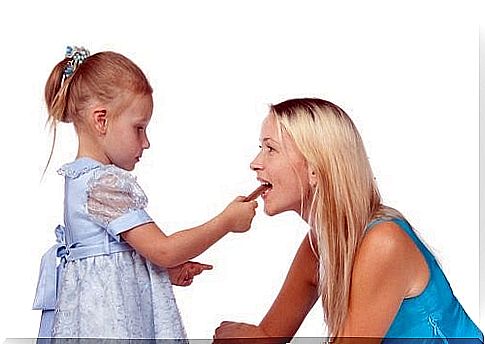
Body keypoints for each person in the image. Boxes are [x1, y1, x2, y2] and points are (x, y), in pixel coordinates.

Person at [32, 46, 258, 340]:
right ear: (101, 120)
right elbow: (163, 249)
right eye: (138, 128)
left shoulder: (80, 178)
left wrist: (163, 272)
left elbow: (113, 261)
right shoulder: (103, 184)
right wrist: (226, 222)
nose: (146, 142)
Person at [214, 98, 483, 343]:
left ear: (315, 169)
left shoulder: (383, 243)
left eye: (270, 149)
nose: (255, 163)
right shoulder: (318, 245)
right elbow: (269, 336)